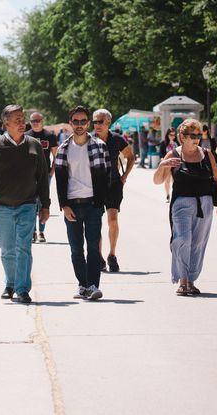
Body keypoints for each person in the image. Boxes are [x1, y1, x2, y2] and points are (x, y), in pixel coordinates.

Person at [0, 105, 50, 304]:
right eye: (17, 119)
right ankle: (10, 283)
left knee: (24, 248)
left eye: (23, 118)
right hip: (2, 207)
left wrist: (45, 205)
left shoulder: (34, 145)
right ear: (6, 124)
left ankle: (22, 288)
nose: (22, 122)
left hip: (27, 205)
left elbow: (43, 178)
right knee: (7, 249)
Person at [153, 119, 217, 296]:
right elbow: (157, 181)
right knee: (182, 239)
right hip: (181, 204)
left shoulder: (207, 154)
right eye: (192, 135)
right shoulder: (173, 155)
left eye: (199, 135)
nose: (196, 139)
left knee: (198, 242)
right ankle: (182, 280)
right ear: (182, 137)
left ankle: (190, 282)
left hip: (205, 203)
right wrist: (162, 165)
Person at [55, 106, 112, 301]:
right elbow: (60, 180)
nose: (79, 125)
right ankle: (83, 284)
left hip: (93, 204)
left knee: (94, 247)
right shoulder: (63, 149)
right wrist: (64, 205)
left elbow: (106, 175)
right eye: (75, 121)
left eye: (83, 121)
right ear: (70, 123)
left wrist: (101, 202)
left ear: (88, 123)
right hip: (73, 205)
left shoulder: (99, 146)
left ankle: (93, 285)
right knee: (76, 248)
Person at [92, 109, 135, 272]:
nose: (97, 125)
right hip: (94, 186)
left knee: (112, 220)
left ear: (108, 122)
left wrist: (124, 176)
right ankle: (99, 257)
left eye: (100, 121)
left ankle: (112, 254)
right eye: (95, 121)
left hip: (113, 184)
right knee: (95, 223)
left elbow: (131, 157)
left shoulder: (116, 139)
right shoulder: (89, 139)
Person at [25, 111, 58, 243]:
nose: (35, 123)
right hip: (29, 176)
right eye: (33, 121)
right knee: (31, 203)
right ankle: (32, 231)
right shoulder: (26, 136)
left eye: (38, 120)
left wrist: (52, 172)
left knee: (42, 202)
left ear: (42, 121)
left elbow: (56, 155)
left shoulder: (49, 135)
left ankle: (41, 232)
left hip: (45, 175)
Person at [159, 127, 179, 202]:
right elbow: (161, 154)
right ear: (167, 134)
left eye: (174, 135)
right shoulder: (163, 143)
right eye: (171, 134)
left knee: (175, 181)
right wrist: (163, 160)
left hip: (175, 165)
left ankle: (175, 195)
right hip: (167, 164)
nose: (172, 136)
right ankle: (167, 195)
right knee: (167, 180)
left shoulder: (177, 143)